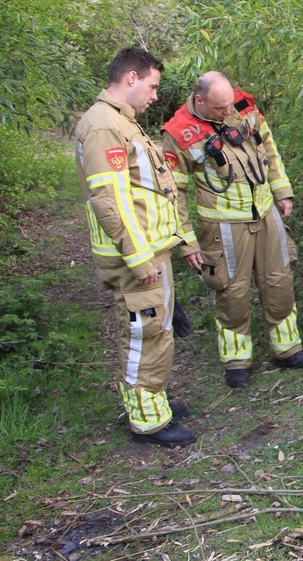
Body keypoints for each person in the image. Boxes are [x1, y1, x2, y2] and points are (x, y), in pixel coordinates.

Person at [73, 47, 197, 448]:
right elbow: (110, 201)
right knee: (144, 334)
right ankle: (146, 422)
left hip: (148, 250)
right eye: (153, 86)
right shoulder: (105, 126)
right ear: (131, 78)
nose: (156, 96)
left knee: (157, 330)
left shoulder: (122, 123)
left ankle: (153, 401)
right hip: (134, 257)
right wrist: (140, 256)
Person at [161, 72, 303, 387]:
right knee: (232, 293)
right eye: (219, 108)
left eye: (228, 104)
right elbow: (173, 193)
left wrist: (282, 191)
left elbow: (269, 150)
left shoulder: (242, 106)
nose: (226, 112)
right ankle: (236, 362)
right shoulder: (179, 133)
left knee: (280, 281)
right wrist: (187, 243)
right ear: (200, 100)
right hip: (224, 224)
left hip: (265, 211)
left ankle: (287, 350)